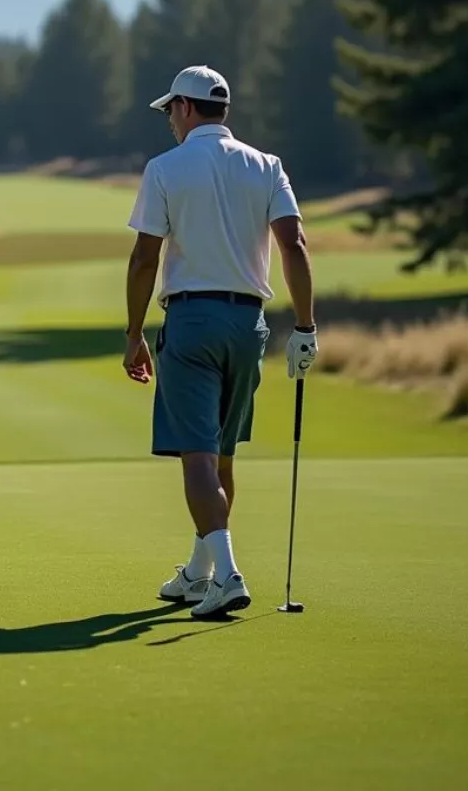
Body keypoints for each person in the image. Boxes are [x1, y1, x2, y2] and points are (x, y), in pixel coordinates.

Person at [123, 65, 318, 618]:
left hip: (191, 322)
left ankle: (228, 575)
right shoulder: (266, 165)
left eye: (169, 111)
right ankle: (199, 571)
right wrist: (305, 327)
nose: (168, 121)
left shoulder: (165, 168)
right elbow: (294, 245)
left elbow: (144, 258)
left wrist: (135, 333)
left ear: (186, 108)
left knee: (199, 458)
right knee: (222, 455)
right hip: (248, 326)